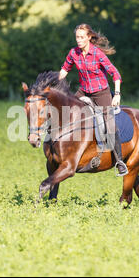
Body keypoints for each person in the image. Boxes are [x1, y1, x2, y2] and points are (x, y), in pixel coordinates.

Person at [58, 23, 128, 176]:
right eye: (77, 37)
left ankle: (119, 161)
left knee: (110, 125)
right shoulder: (73, 53)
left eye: (82, 37)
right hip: (83, 91)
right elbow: (65, 70)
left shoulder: (97, 54)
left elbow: (115, 74)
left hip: (101, 93)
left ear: (89, 37)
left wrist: (116, 94)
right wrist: (53, 84)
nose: (79, 40)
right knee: (65, 111)